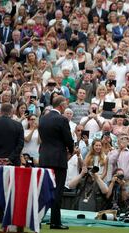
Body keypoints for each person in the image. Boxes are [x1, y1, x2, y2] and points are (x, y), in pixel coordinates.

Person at [38, 95, 74, 230]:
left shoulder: (43, 118)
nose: (66, 106)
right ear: (61, 105)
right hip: (58, 159)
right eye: (65, 104)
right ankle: (55, 222)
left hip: (44, 158)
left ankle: (37, 219)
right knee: (57, 191)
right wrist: (71, 150)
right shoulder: (62, 119)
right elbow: (68, 139)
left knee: (43, 190)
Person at [0, 103, 24, 222]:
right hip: (12, 163)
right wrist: (10, 158)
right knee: (12, 188)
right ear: (12, 112)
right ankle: (10, 214)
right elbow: (20, 145)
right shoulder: (18, 125)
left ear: (1, 111)